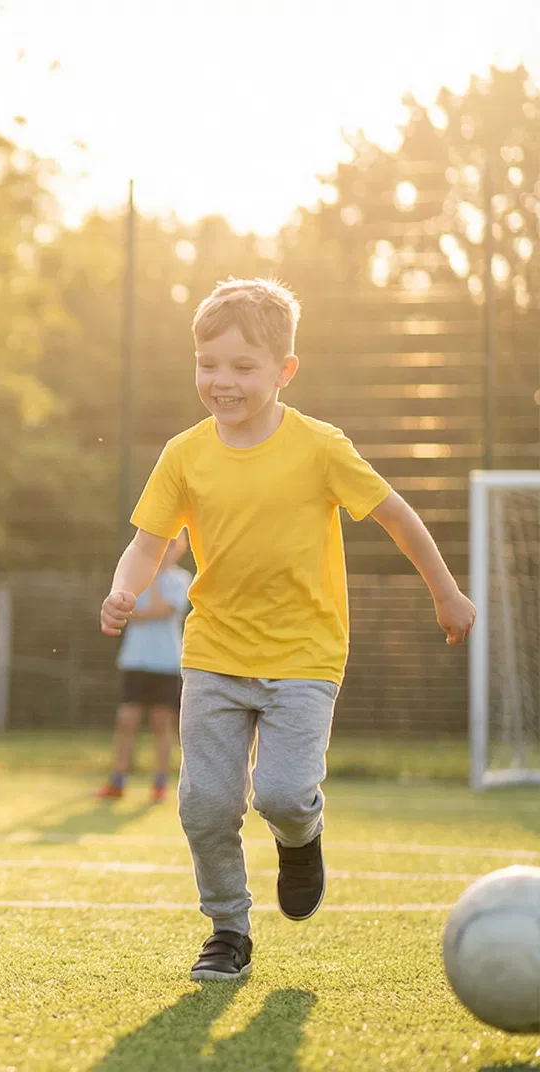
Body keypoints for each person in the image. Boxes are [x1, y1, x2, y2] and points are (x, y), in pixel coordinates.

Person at [102, 277, 474, 983]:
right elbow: (149, 543)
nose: (223, 381)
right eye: (208, 363)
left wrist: (446, 592)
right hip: (214, 651)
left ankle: (301, 838)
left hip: (307, 653)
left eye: (243, 366)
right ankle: (228, 930)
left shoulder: (320, 446)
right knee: (206, 804)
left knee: (280, 794)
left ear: (284, 371)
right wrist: (125, 588)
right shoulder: (184, 454)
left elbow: (397, 516)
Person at [97, 530, 191, 804]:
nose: (166, 550)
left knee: (162, 723)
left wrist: (157, 576)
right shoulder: (136, 577)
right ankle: (117, 781)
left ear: (180, 548)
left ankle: (159, 784)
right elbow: (129, 614)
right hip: (135, 660)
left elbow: (161, 610)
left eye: (172, 545)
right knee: (126, 720)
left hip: (166, 662)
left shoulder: (181, 580)